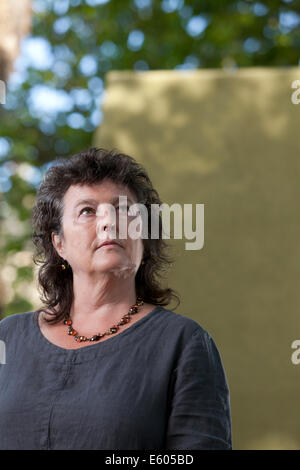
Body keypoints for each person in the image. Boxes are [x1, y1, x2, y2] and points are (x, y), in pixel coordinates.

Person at [0, 147, 232, 450]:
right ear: (59, 243)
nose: (109, 221)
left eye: (123, 209)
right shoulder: (8, 337)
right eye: (87, 210)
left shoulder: (184, 343)